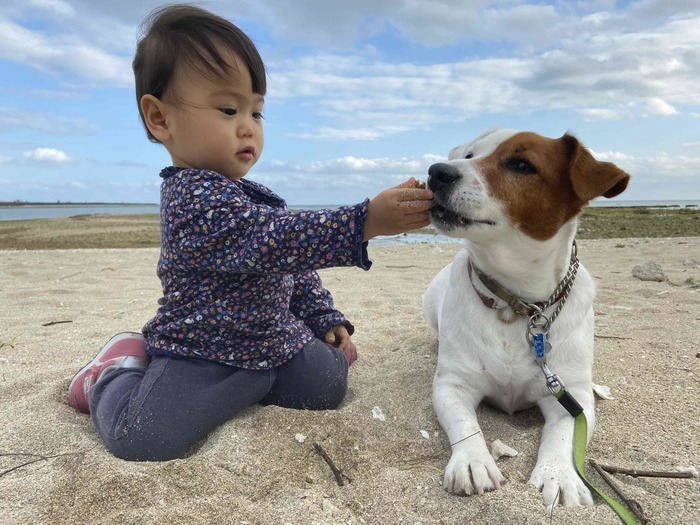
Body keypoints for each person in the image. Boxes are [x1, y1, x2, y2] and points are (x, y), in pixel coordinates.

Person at [67, 4, 434, 461]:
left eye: (257, 113)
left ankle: (277, 371)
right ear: (160, 119)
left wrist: (324, 317)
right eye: (228, 108)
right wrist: (364, 221)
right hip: (203, 351)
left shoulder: (254, 196)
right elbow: (273, 239)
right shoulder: (193, 200)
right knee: (143, 439)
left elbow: (291, 264)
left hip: (274, 343)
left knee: (330, 386)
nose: (248, 127)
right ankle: (114, 370)